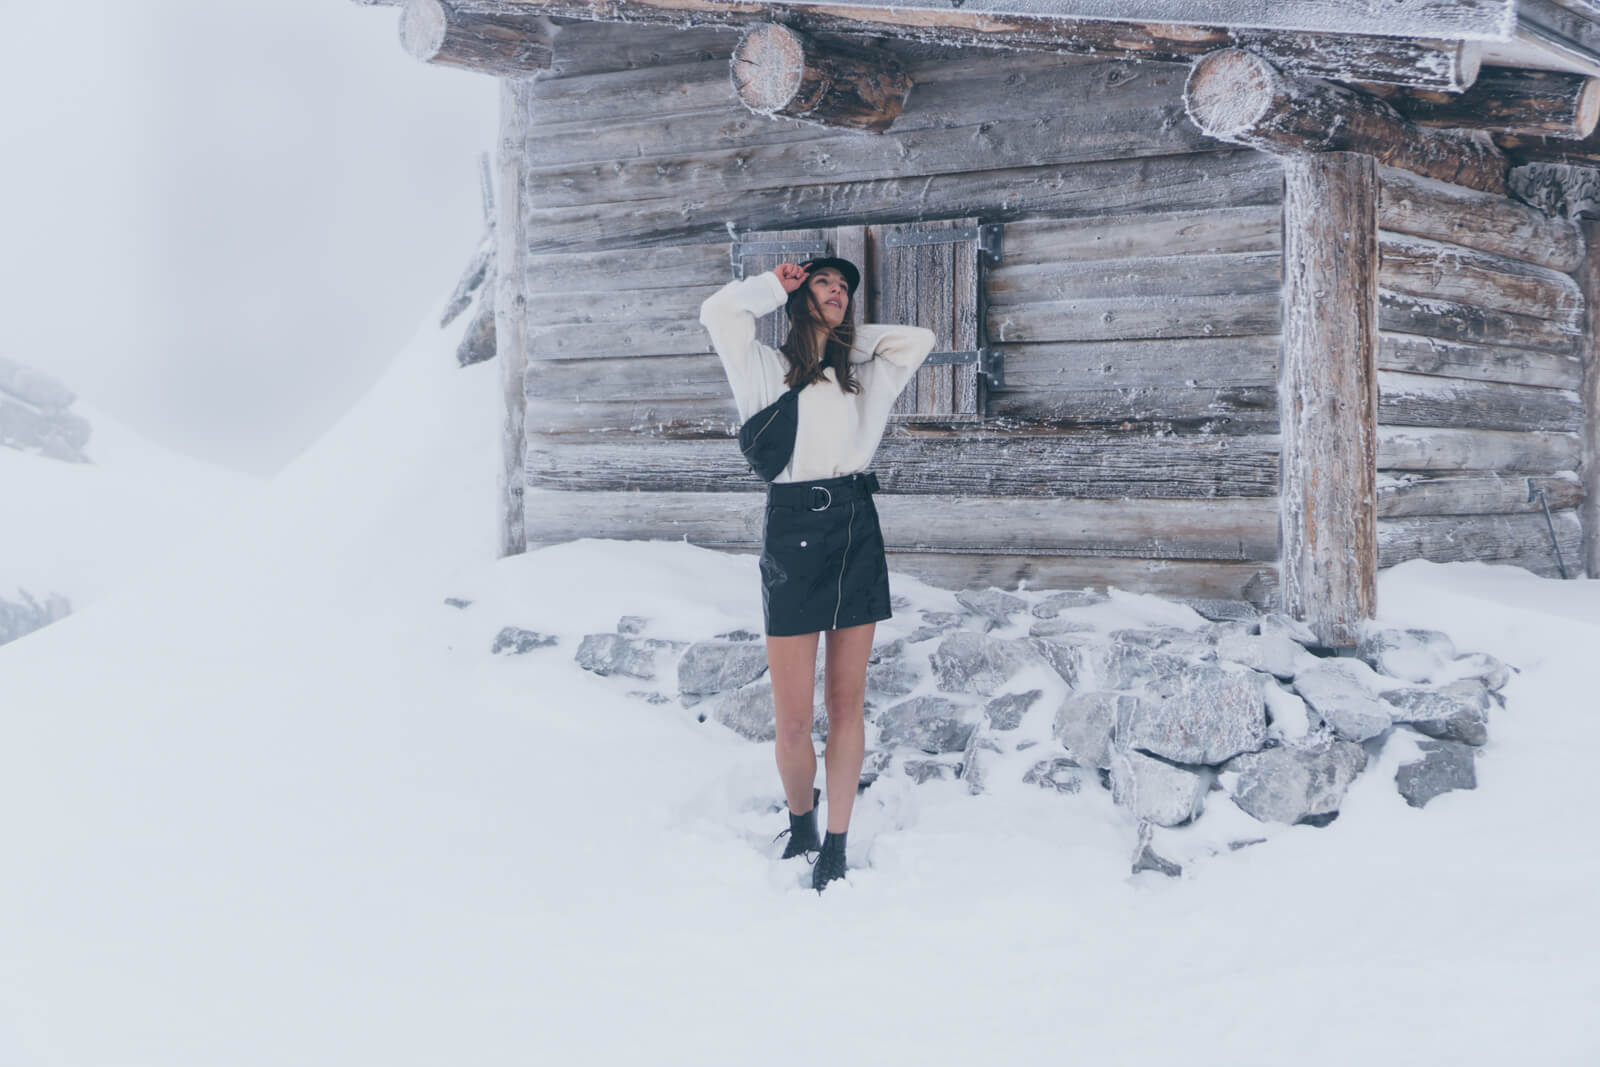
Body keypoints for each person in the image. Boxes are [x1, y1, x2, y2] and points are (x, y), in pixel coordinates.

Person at [699, 256, 937, 892]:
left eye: (843, 288)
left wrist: (835, 341)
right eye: (824, 283)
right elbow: (719, 313)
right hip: (792, 534)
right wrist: (776, 289)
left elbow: (920, 341)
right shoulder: (765, 369)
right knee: (795, 718)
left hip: (856, 527)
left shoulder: (862, 376)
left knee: (845, 703)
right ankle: (801, 820)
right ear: (801, 294)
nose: (836, 292)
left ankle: (836, 841)